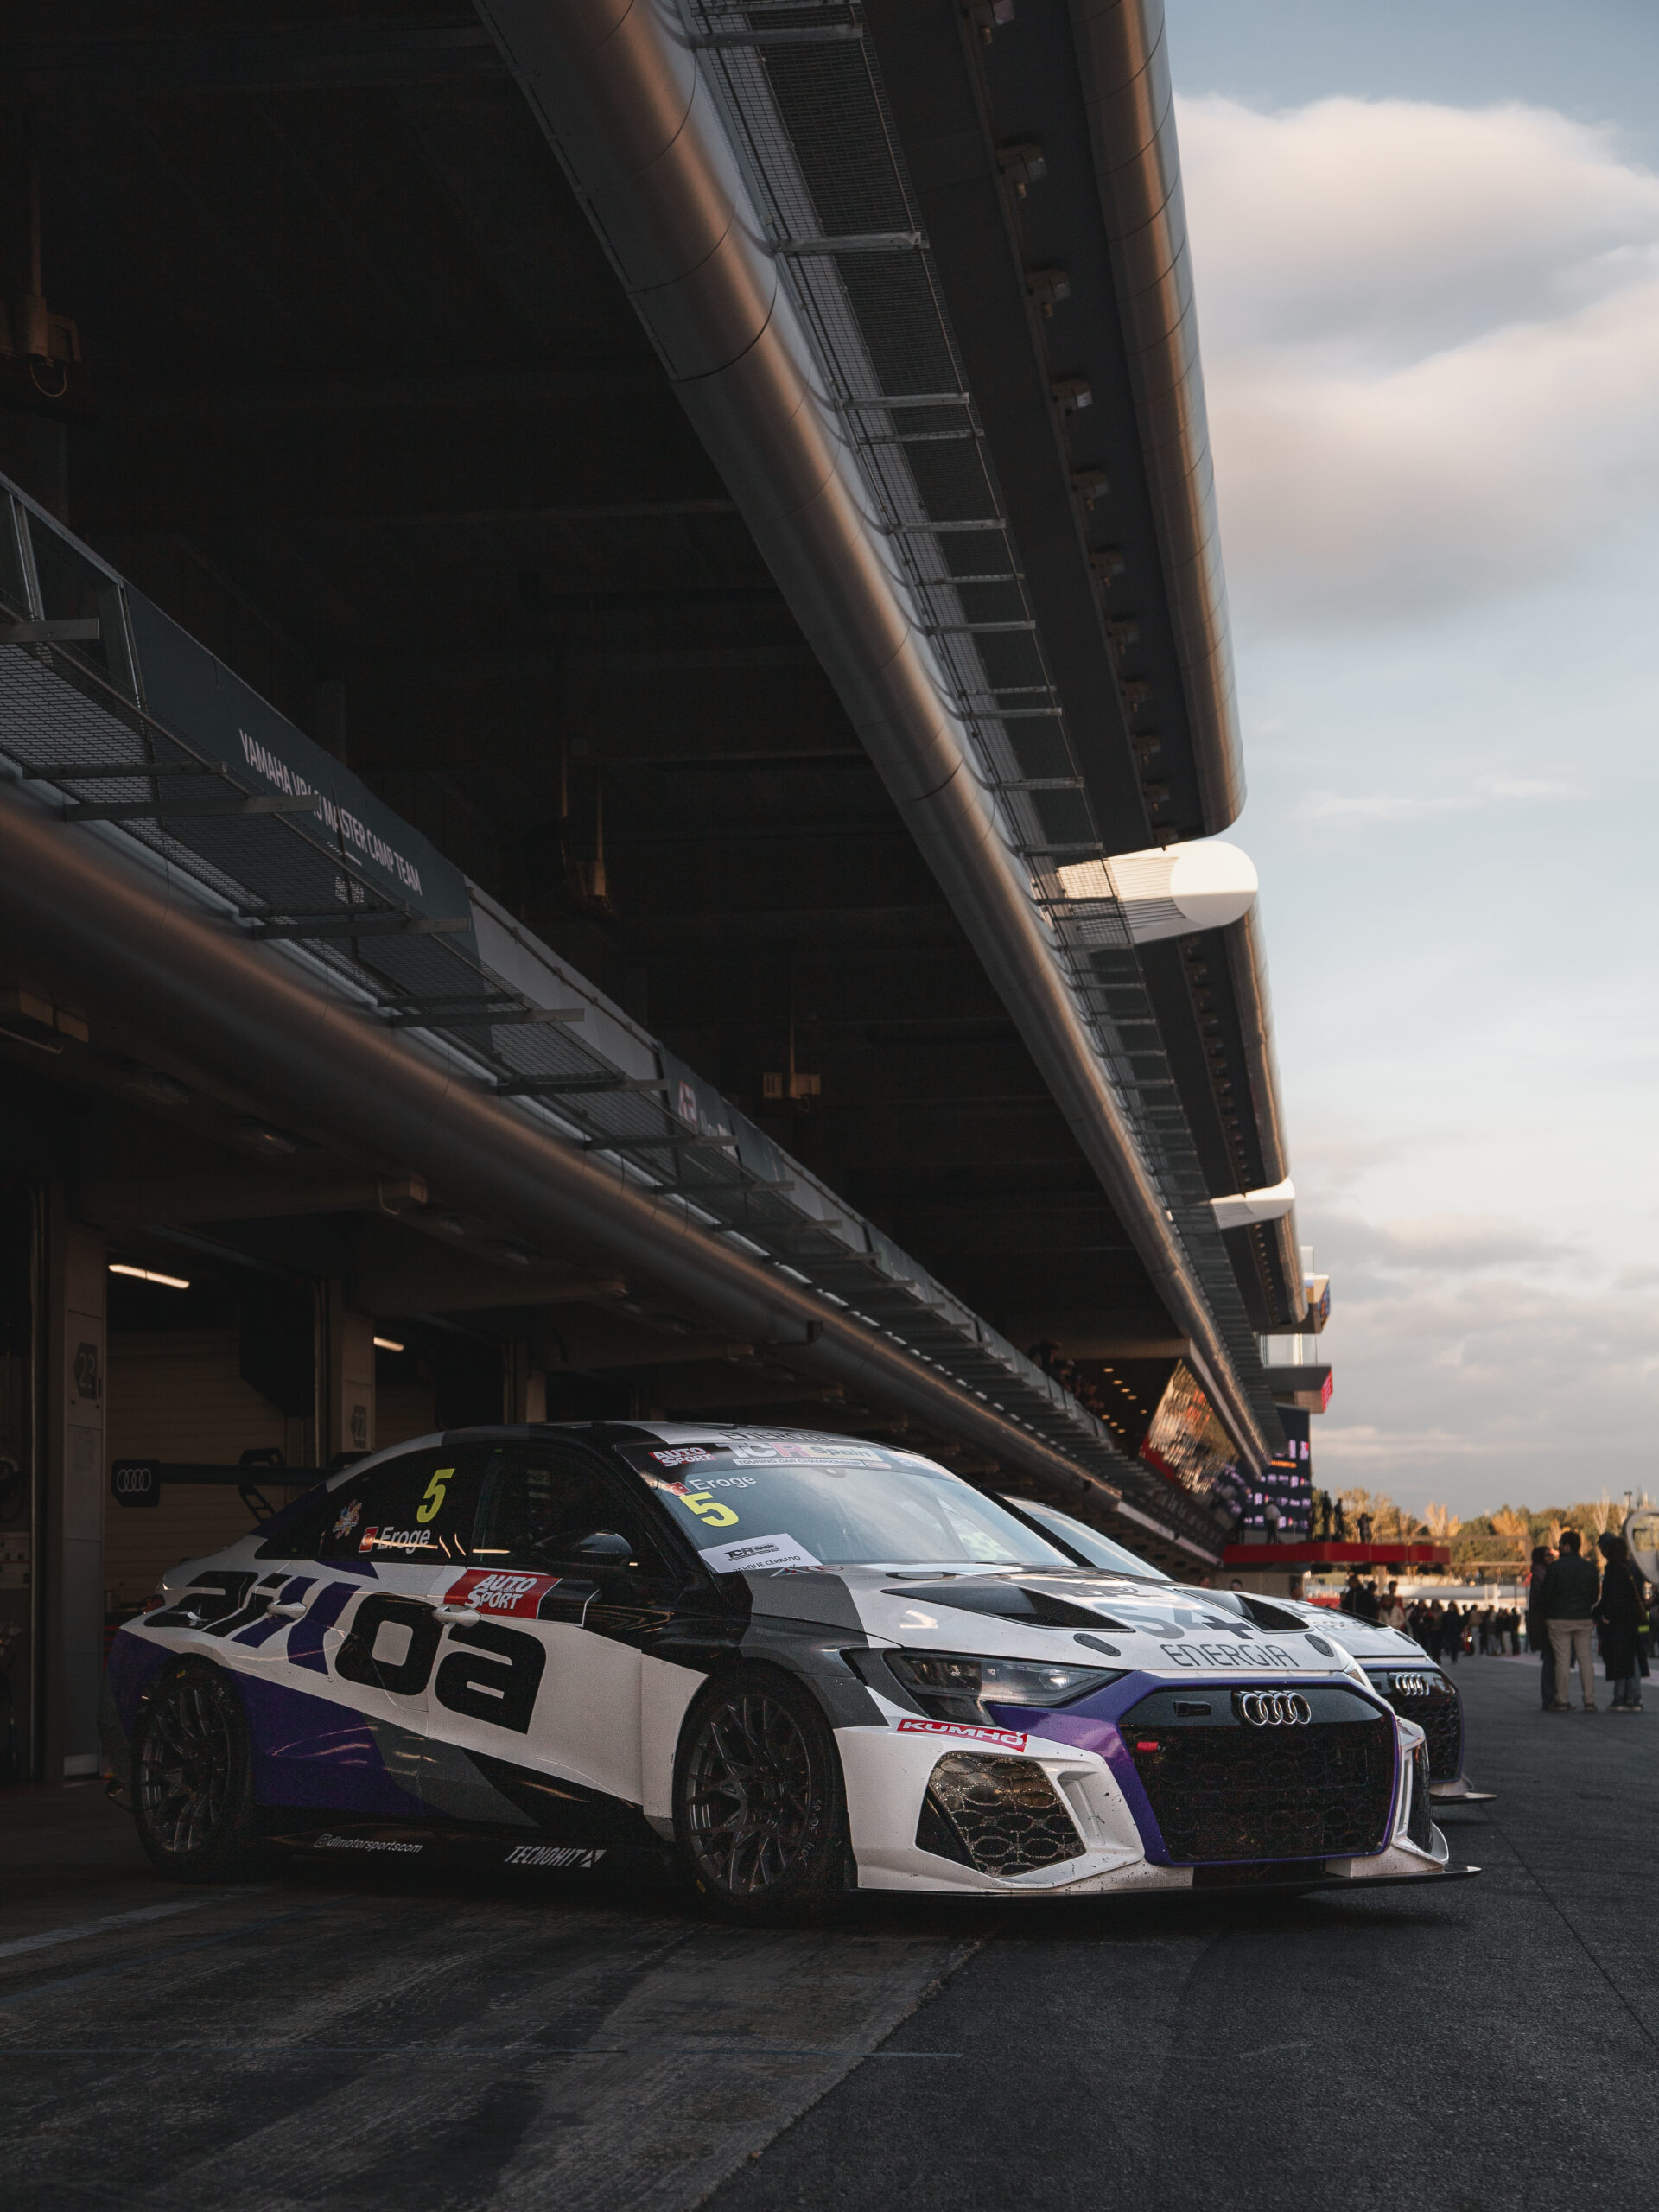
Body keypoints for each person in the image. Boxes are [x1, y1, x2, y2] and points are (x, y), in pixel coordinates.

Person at [1539, 1529, 1601, 1712]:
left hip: (1559, 1619)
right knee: (1585, 1659)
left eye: (1560, 1544)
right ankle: (1589, 1700)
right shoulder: (1590, 1567)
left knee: (1562, 1660)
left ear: (1566, 1546)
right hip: (1583, 1618)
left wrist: (1548, 1612)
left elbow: (1546, 1595)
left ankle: (1562, 1699)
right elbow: (1594, 1594)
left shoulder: (1555, 1568)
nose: (1558, 1548)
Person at [1595, 1532, 1643, 1712]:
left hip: (1618, 1623)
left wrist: (1599, 1614)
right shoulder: (1634, 1568)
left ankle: (1620, 1698)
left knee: (1620, 1659)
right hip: (1634, 1621)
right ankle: (1635, 1698)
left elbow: (1609, 1599)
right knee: (1634, 1658)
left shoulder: (1613, 1570)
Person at [1526, 1548, 1557, 1705]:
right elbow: (1540, 1602)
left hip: (1544, 1622)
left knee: (1551, 1660)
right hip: (1545, 1623)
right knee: (1550, 1660)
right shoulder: (1540, 1576)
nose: (1551, 1557)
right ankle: (1550, 1696)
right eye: (1548, 1555)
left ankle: (1550, 1696)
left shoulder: (1540, 1573)